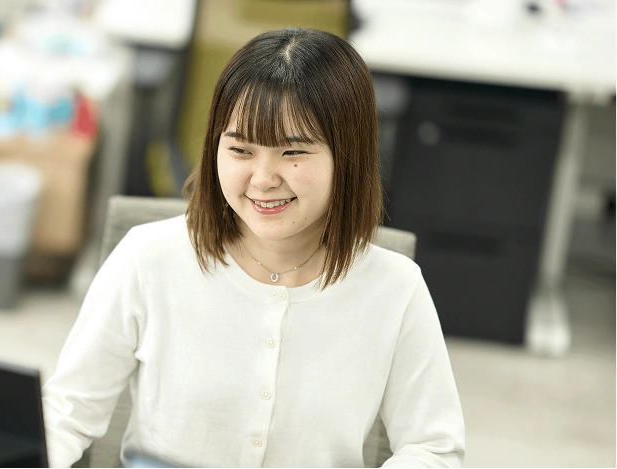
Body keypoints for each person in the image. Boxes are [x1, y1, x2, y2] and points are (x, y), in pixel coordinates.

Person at [43, 27, 465, 468]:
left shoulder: (395, 289)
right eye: (241, 150)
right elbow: (66, 413)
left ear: (349, 156)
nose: (263, 180)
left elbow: (434, 448)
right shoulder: (149, 257)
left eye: (292, 152)